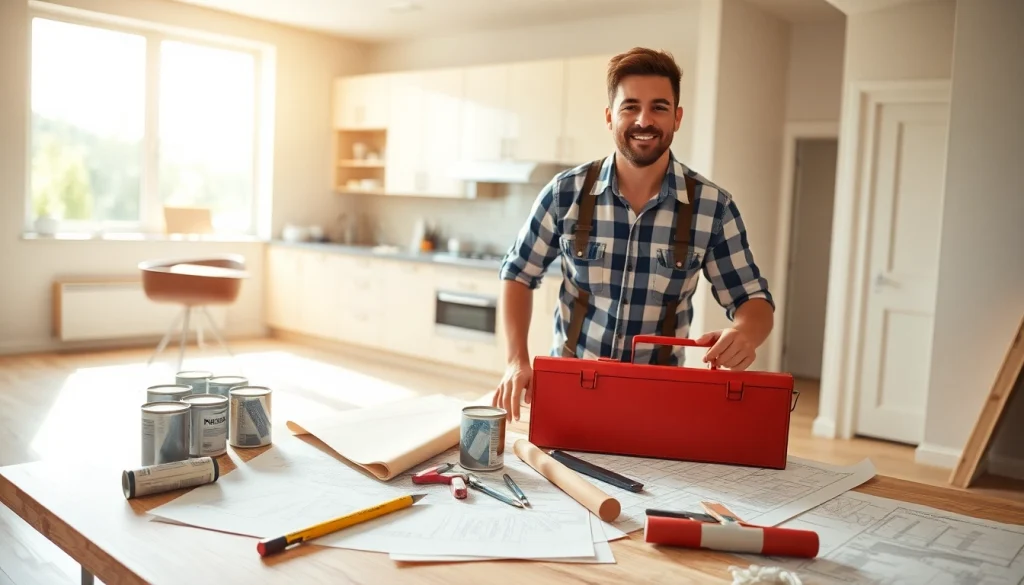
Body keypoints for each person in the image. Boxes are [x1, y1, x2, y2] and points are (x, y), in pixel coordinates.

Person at [492, 47, 775, 422]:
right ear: (610, 117)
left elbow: (752, 299)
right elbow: (517, 274)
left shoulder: (712, 207)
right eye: (630, 107)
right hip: (570, 387)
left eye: (659, 107)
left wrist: (745, 334)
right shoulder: (564, 194)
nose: (644, 120)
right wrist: (515, 361)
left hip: (659, 397)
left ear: (677, 117)